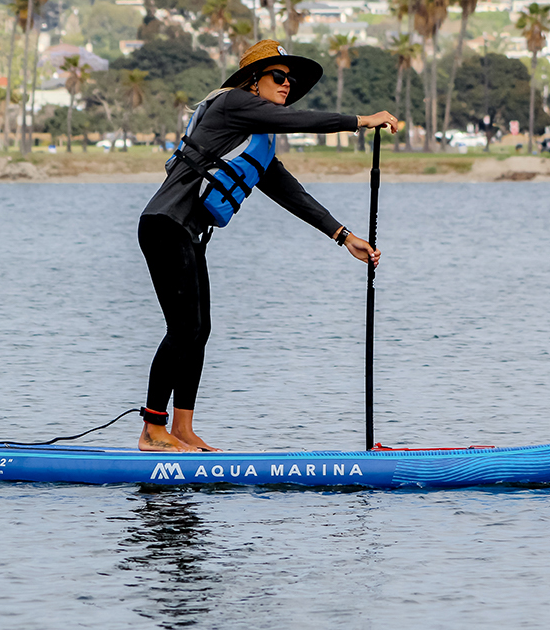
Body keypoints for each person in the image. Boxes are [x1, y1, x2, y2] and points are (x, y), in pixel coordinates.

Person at [137, 40, 398, 452]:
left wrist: (344, 236)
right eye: (278, 77)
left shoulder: (254, 141)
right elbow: (303, 121)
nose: (287, 86)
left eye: (290, 81)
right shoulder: (231, 104)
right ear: (253, 82)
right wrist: (362, 120)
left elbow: (289, 192)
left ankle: (182, 429)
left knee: (199, 330)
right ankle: (153, 430)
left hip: (186, 233)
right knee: (184, 328)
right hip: (165, 226)